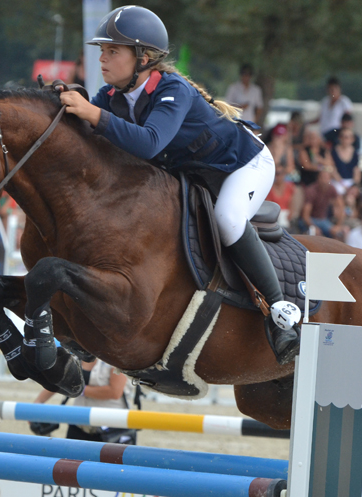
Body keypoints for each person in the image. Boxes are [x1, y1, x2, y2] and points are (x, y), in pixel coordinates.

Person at [60, 5, 301, 362]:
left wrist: (93, 114)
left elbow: (149, 142)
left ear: (143, 57)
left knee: (228, 219)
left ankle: (280, 314)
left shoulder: (172, 89)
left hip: (240, 166)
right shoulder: (112, 98)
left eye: (113, 51)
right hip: (193, 174)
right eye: (102, 51)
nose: (102, 59)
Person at [31, 359, 137, 497]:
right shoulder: (77, 352)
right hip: (79, 427)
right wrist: (37, 404)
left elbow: (114, 391)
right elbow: (59, 381)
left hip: (111, 432)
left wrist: (77, 389)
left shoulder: (116, 352)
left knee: (105, 494)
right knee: (73, 491)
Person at [300, 166, 339, 237]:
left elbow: (340, 206)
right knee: (316, 234)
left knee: (338, 233)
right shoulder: (311, 190)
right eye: (323, 177)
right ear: (318, 178)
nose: (325, 180)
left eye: (327, 178)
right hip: (310, 220)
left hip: (323, 220)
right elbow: (305, 216)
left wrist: (339, 225)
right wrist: (314, 227)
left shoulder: (332, 189)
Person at [314, 77, 352, 142]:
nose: (331, 92)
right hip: (324, 132)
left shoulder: (344, 102)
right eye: (330, 89)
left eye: (333, 89)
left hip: (336, 132)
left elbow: (348, 119)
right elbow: (320, 118)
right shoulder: (325, 101)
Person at [329, 127, 360, 194]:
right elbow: (333, 170)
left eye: (347, 137)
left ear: (352, 139)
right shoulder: (333, 151)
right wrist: (343, 184)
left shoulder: (355, 153)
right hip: (337, 181)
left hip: (351, 182)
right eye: (343, 137)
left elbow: (356, 171)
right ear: (340, 138)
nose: (345, 140)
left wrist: (354, 185)